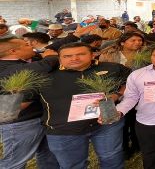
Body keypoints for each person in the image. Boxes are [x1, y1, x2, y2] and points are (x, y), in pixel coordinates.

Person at [41, 42, 130, 169]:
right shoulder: (46, 75)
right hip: (64, 128)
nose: (74, 58)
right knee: (72, 165)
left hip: (107, 123)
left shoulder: (113, 68)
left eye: (81, 54)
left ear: (93, 55)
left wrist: (116, 95)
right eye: (67, 56)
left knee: (111, 158)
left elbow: (129, 84)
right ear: (59, 58)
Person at [0, 38, 60, 169]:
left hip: (42, 118)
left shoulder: (27, 62)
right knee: (14, 162)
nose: (31, 46)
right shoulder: (7, 68)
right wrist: (51, 57)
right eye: (26, 44)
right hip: (21, 123)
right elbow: (44, 65)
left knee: (48, 156)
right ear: (13, 51)